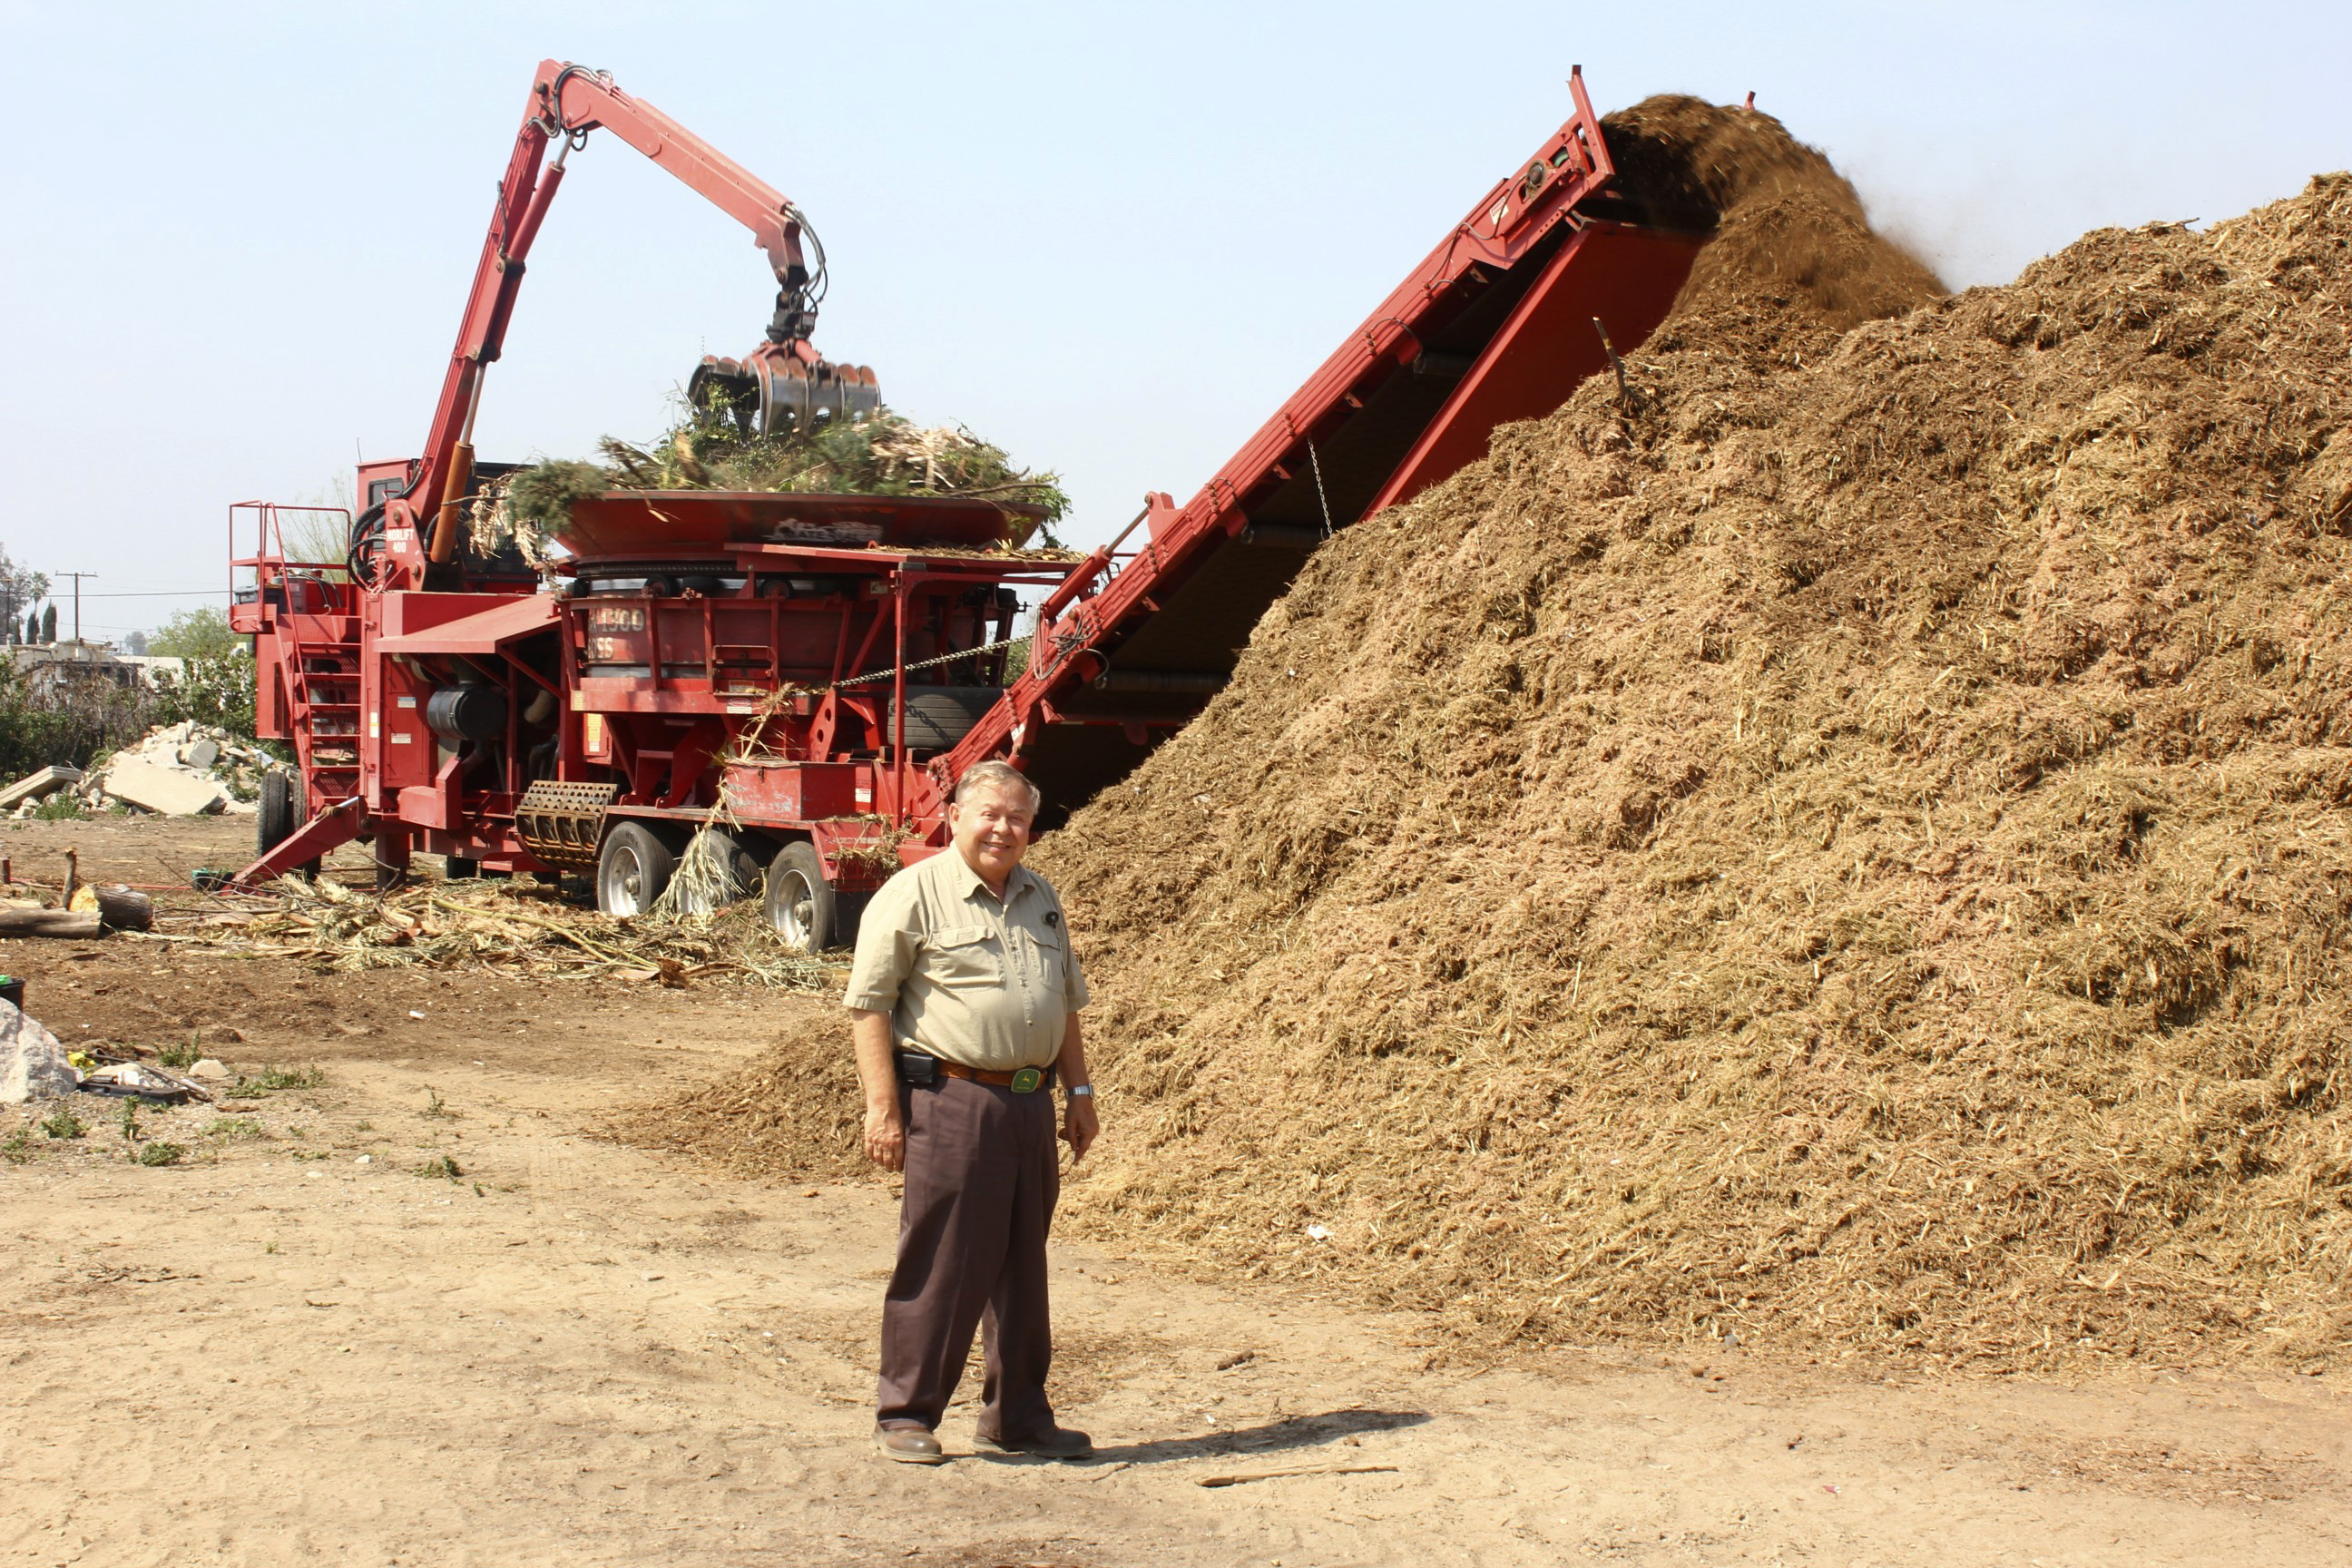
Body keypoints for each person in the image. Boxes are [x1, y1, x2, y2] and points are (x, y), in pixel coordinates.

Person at [842, 760, 1100, 1465]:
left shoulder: (1041, 897)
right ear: (955, 815)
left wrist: (1078, 1093)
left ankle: (1017, 1416)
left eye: (1017, 817)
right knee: (944, 1260)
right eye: (989, 813)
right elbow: (869, 1007)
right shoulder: (914, 894)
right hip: (951, 1099)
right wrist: (882, 1110)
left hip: (1027, 1103)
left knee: (1024, 1264)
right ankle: (905, 1414)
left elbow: (1066, 1005)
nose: (1002, 828)